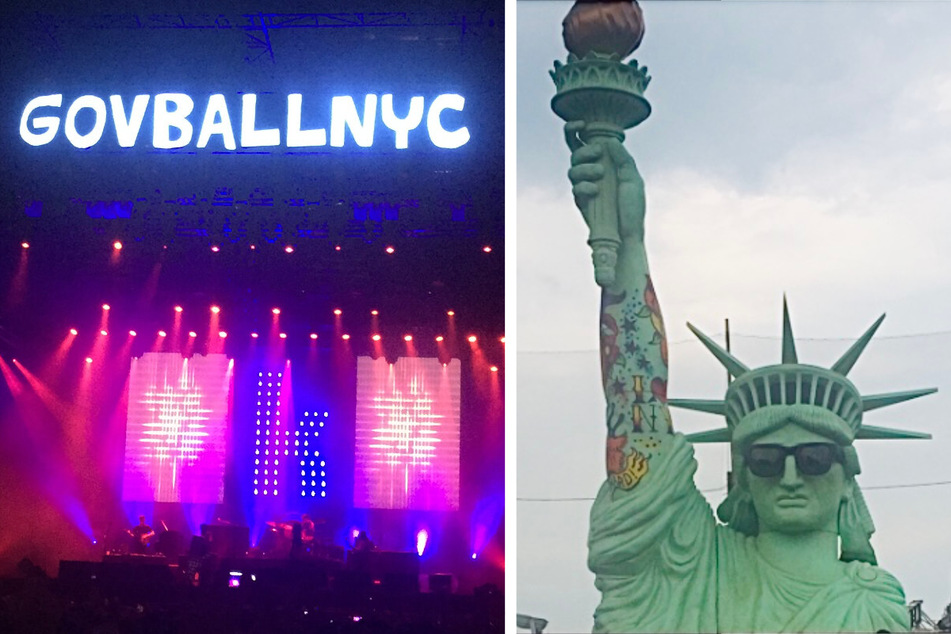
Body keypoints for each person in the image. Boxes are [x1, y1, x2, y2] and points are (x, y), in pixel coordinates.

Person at [566, 122, 932, 632]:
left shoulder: (874, 604)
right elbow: (636, 407)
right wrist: (630, 242)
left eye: (812, 458)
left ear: (849, 478)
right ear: (742, 477)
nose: (788, 476)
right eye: (765, 460)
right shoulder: (693, 562)